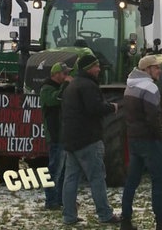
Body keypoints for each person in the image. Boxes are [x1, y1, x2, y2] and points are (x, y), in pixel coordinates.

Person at [120, 55, 162, 230]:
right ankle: (161, 223)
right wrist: (161, 136)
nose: (159, 71)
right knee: (158, 181)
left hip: (134, 140)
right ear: (147, 69)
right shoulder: (150, 88)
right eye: (156, 68)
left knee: (131, 181)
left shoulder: (129, 86)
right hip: (150, 141)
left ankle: (125, 221)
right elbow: (154, 117)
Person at [61, 54, 121, 225]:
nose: (99, 69)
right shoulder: (88, 86)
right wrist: (112, 107)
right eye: (96, 66)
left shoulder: (71, 86)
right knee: (97, 178)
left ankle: (69, 216)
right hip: (88, 139)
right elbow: (94, 108)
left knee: (70, 179)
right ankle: (105, 214)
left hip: (71, 140)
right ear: (88, 68)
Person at [40, 61, 72, 210]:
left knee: (64, 170)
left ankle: (60, 199)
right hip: (55, 134)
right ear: (56, 74)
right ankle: (50, 200)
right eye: (65, 73)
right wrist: (66, 85)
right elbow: (56, 99)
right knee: (54, 169)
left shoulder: (60, 88)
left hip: (64, 134)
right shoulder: (46, 89)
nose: (67, 76)